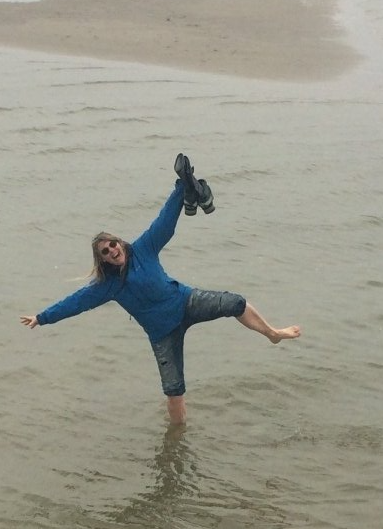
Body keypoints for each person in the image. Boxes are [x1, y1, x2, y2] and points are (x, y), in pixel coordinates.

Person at [21, 175, 300, 425]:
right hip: (162, 334)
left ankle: (273, 333)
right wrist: (42, 318)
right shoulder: (107, 286)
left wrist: (182, 186)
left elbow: (166, 219)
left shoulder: (145, 247)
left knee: (236, 302)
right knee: (174, 391)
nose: (112, 251)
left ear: (119, 242)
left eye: (112, 245)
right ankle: (177, 439)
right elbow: (75, 302)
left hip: (186, 301)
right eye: (105, 252)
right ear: (102, 259)